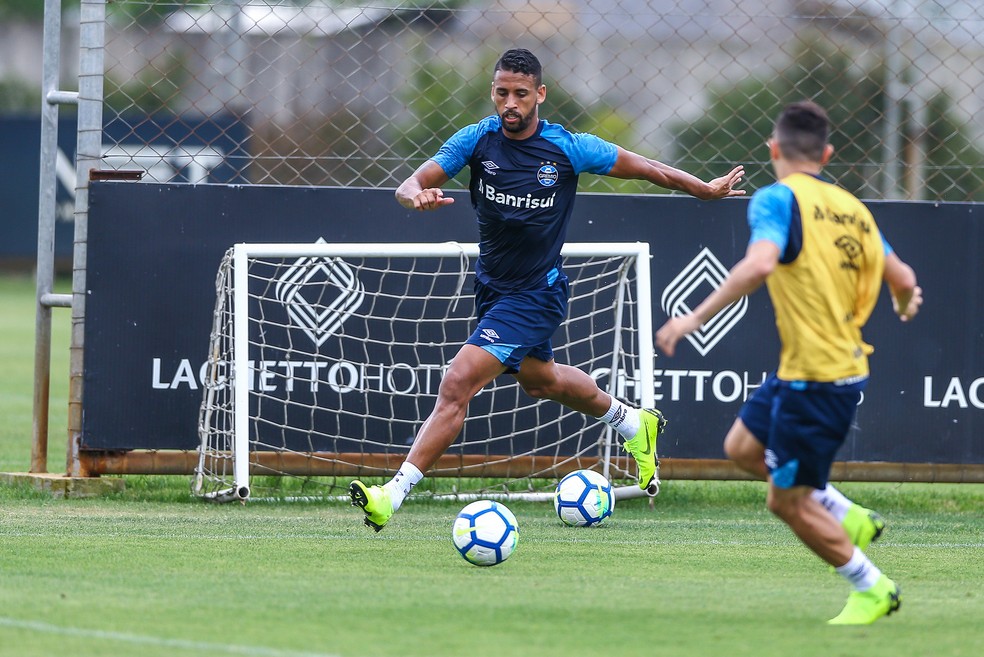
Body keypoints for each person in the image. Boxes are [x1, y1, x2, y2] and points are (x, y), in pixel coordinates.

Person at [349, 48, 746, 532]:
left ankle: (392, 494)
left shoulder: (568, 148)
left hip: (537, 293)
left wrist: (702, 188)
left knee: (457, 383)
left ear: (540, 94)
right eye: (501, 93)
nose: (510, 103)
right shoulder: (476, 140)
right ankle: (630, 422)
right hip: (493, 288)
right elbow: (412, 181)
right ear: (493, 93)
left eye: (520, 93)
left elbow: (645, 167)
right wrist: (415, 196)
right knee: (541, 380)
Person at [655, 101, 922, 625]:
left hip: (818, 382)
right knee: (741, 448)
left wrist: (691, 318)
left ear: (773, 150)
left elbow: (759, 264)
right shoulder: (852, 209)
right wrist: (901, 301)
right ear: (826, 154)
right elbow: (906, 277)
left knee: (786, 502)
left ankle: (873, 586)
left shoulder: (776, 199)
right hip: (805, 371)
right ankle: (849, 515)